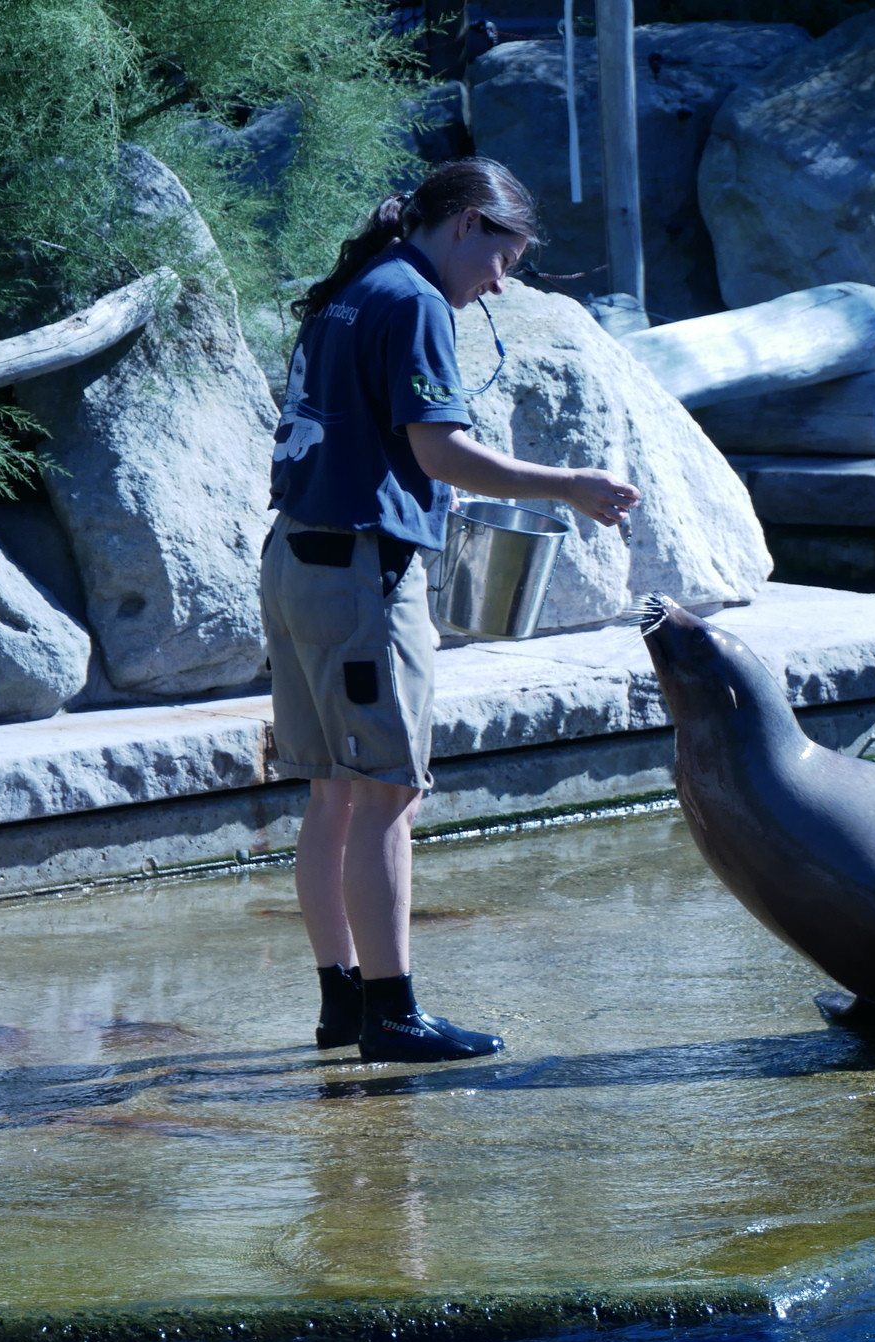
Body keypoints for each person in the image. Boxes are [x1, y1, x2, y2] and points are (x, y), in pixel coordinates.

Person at [264, 158, 639, 1063]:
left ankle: (343, 1003)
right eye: (503, 258)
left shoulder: (353, 285)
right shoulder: (416, 299)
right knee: (389, 793)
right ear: (468, 222)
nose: (500, 283)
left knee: (332, 796)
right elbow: (443, 452)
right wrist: (572, 485)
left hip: (294, 560)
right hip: (359, 578)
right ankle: (394, 1014)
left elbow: (378, 443)